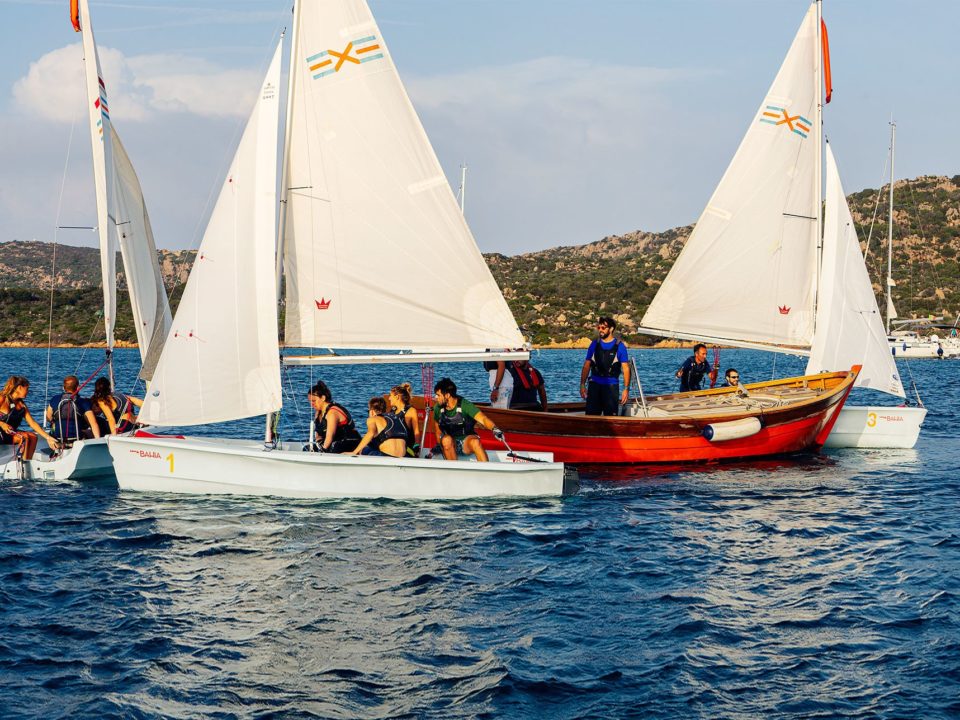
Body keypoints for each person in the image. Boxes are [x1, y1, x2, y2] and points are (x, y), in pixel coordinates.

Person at [432, 377, 503, 462]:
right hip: (450, 443)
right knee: (446, 440)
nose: (436, 397)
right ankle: (454, 471)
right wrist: (440, 446)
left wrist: (494, 428)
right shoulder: (437, 408)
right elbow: (437, 431)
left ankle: (486, 471)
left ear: (447, 395)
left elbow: (483, 419)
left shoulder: (465, 405)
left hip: (466, 442)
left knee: (475, 442)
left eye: (438, 395)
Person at [579, 317, 631, 416]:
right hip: (594, 386)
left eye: (603, 328)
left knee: (611, 417)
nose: (600, 330)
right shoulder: (594, 344)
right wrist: (582, 384)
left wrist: (626, 389)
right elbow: (586, 366)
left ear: (611, 329)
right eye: (599, 327)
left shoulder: (620, 346)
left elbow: (626, 369)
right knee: (591, 418)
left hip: (611, 387)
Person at [0, 376, 59, 460]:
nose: (28, 392)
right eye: (27, 389)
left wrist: (48, 437)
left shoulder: (22, 405)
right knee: (24, 437)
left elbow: (32, 423)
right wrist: (2, 424)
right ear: (19, 388)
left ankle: (27, 461)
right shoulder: (2, 398)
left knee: (33, 436)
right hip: (1, 433)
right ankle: (22, 464)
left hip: (9, 433)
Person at [306, 381, 361, 453]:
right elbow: (318, 433)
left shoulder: (332, 412)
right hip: (334, 442)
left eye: (314, 401)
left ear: (323, 398)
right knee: (307, 448)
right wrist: (319, 442)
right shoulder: (318, 413)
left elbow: (330, 435)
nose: (312, 404)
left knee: (333, 447)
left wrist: (322, 451)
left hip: (349, 441)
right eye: (310, 401)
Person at [46, 375, 100, 444]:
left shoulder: (55, 399)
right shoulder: (83, 402)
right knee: (89, 431)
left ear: (63, 387)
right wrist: (98, 440)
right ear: (78, 387)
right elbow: (93, 424)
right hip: (77, 439)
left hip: (58, 438)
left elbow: (48, 418)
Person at [388, 383, 421, 457]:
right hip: (393, 447)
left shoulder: (411, 411)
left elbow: (417, 433)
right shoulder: (392, 411)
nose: (389, 398)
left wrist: (416, 447)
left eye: (390, 395)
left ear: (397, 397)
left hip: (407, 449)